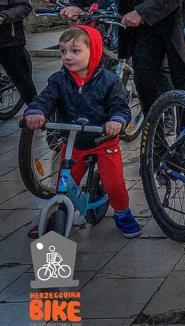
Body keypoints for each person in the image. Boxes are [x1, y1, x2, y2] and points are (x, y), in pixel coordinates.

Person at [23, 25, 139, 237]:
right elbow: (45, 98)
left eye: (75, 51)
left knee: (114, 183)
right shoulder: (59, 80)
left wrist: (116, 120)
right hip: (74, 142)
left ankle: (123, 213)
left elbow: (120, 106)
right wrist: (37, 111)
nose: (67, 57)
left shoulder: (109, 81)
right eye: (63, 51)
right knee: (64, 183)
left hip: (104, 140)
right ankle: (59, 213)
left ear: (93, 51)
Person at [0, 0, 37, 106]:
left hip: (8, 40)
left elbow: (23, 7)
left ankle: (36, 112)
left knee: (23, 82)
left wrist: (3, 17)